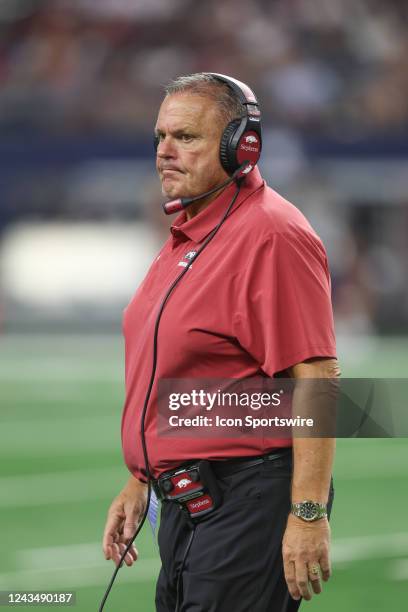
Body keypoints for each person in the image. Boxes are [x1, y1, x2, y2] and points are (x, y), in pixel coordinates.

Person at [102, 73, 339, 611]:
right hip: (187, 501)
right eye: (160, 137)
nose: (165, 152)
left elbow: (318, 378)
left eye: (186, 138)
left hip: (249, 498)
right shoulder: (189, 231)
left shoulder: (270, 234)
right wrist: (140, 478)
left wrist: (308, 512)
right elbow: (175, 370)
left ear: (240, 146)